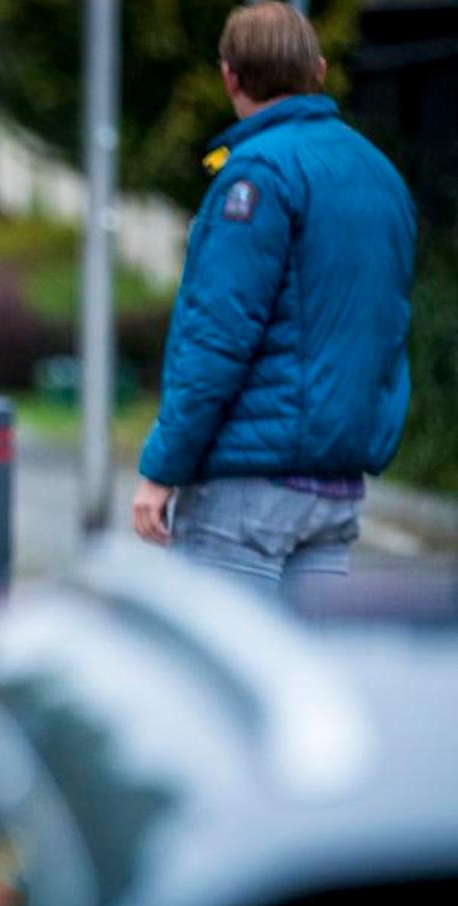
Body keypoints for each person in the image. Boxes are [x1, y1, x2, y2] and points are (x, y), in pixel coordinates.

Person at [132, 1, 415, 596]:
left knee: (216, 682)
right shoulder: (381, 176)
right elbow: (388, 328)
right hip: (337, 491)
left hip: (247, 494)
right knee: (309, 681)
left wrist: (162, 469)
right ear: (318, 67)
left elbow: (217, 339)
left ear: (229, 76)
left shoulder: (255, 177)